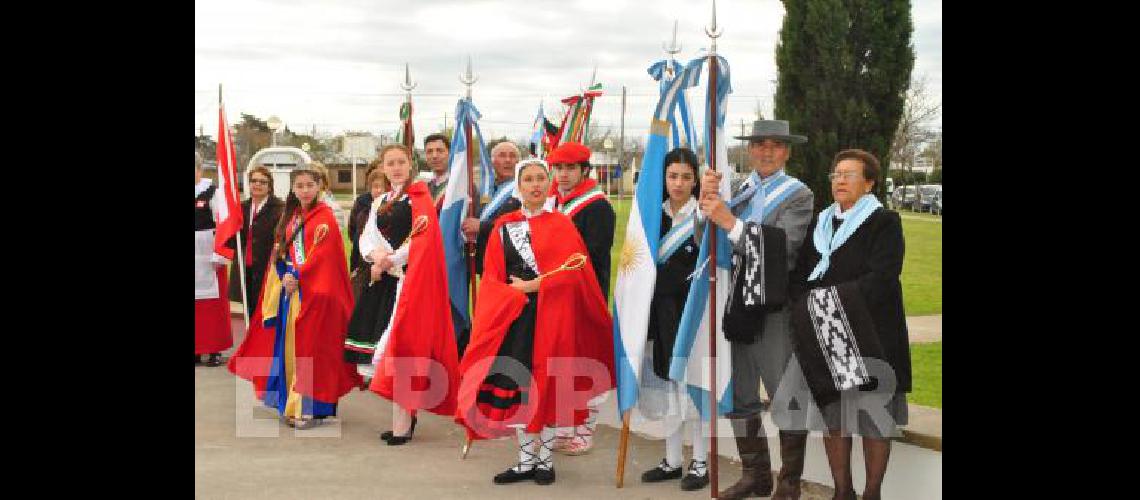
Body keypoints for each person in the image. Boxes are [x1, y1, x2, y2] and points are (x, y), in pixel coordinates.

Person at [455, 158, 614, 486]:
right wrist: (508, 299)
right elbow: (494, 277)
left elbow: (575, 272)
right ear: (519, 185)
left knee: (550, 385)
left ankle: (545, 460)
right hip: (516, 319)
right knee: (519, 387)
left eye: (542, 177)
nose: (536, 184)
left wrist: (532, 285)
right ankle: (526, 460)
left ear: (549, 182)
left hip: (555, 316)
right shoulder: (503, 226)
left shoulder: (562, 224)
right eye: (528, 179)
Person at [698, 120, 815, 500]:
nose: (766, 152)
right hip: (734, 305)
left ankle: (789, 482)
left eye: (776, 146)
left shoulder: (799, 195)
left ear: (787, 152)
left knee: (785, 395)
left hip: (773, 307)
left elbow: (786, 248)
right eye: (759, 145)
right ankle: (756, 475)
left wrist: (728, 220)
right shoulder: (739, 190)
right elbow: (707, 244)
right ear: (749, 150)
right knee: (740, 393)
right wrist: (707, 207)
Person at [788, 149, 910, 500]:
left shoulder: (884, 222)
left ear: (869, 183)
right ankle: (843, 492)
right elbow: (800, 276)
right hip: (828, 335)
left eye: (849, 174)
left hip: (873, 334)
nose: (840, 180)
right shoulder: (821, 223)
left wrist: (828, 300)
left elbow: (883, 277)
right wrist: (806, 304)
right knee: (836, 419)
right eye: (836, 174)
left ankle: (872, 493)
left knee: (874, 421)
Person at [227, 165, 363, 429]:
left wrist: (296, 275)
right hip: (293, 293)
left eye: (309, 185)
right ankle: (295, 401)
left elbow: (324, 258)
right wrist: (284, 272)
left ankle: (309, 408)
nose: (304, 190)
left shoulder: (324, 219)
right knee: (294, 349)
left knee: (311, 350)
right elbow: (283, 251)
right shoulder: (293, 217)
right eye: (299, 186)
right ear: (292, 188)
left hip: (315, 295)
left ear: (319, 186)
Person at [351, 144, 460, 446]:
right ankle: (402, 419)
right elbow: (366, 236)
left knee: (403, 352)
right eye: (390, 163)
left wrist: (393, 259)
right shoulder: (380, 201)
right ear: (383, 168)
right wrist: (374, 255)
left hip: (409, 283)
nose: (396, 168)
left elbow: (423, 239)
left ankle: (404, 421)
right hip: (386, 282)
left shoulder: (419, 198)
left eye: (401, 162)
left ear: (410, 165)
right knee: (390, 354)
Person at [637, 147, 710, 491]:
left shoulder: (703, 218)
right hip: (660, 314)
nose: (678, 183)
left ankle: (700, 461)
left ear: (695, 179)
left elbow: (698, 271)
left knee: (692, 388)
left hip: (692, 314)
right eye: (672, 176)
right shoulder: (653, 215)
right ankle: (672, 459)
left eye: (685, 176)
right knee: (668, 386)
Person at [544, 141, 616, 455]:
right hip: (555, 295)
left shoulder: (597, 206)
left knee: (588, 363)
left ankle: (585, 429)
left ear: (584, 170)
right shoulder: (552, 203)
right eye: (558, 168)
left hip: (586, 295)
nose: (563, 174)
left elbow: (590, 254)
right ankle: (564, 427)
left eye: (570, 168)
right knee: (561, 364)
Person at [226, 166, 285, 318]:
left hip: (267, 268)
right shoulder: (241, 208)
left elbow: (283, 239)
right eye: (254, 181)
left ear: (269, 185)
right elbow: (232, 239)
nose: (257, 184)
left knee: (266, 312)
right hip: (245, 267)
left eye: (262, 182)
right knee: (249, 311)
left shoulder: (279, 208)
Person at [195, 152, 234, 367]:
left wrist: (220, 254)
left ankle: (214, 349)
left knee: (213, 307)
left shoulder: (212, 192)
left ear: (199, 169)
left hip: (209, 257)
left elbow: (224, 224)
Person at [461, 140, 522, 276]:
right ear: (492, 161)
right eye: (502, 155)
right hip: (485, 260)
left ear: (519, 162)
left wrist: (481, 226)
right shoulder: (486, 189)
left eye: (512, 156)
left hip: (510, 264)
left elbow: (517, 224)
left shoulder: (524, 189)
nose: (508, 160)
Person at [347, 165, 388, 300]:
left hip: (386, 267)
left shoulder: (394, 212)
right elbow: (355, 237)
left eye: (383, 187)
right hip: (363, 266)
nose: (379, 191)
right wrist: (354, 267)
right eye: (375, 187)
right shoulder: (363, 212)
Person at [423, 133, 450, 212]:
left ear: (449, 153)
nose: (434, 156)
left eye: (440, 151)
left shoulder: (462, 185)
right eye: (429, 152)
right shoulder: (423, 187)